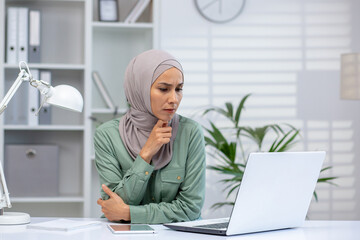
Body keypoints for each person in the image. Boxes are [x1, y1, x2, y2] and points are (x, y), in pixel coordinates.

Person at [94, 49, 206, 224]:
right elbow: (111, 207)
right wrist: (146, 153)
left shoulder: (190, 132)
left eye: (179, 89)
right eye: (163, 89)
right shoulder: (107, 135)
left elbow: (190, 208)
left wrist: (130, 213)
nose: (174, 99)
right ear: (140, 89)